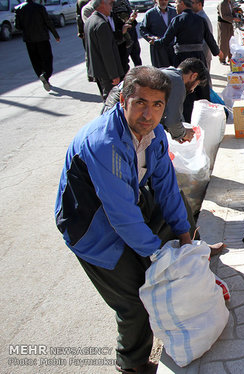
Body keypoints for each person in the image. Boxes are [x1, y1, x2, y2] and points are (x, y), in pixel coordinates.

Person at [55, 66, 199, 374]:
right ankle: (131, 365)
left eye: (157, 105)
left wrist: (187, 239)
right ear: (123, 102)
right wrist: (159, 256)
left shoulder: (155, 133)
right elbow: (121, 216)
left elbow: (165, 184)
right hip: (90, 223)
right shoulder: (104, 142)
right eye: (140, 103)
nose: (148, 114)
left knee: (179, 210)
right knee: (135, 300)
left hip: (124, 199)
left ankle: (176, 251)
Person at [104, 58, 207, 144]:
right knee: (117, 141)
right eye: (196, 84)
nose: (193, 89)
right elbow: (172, 121)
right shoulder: (178, 81)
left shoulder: (170, 73)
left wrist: (177, 132)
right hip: (121, 102)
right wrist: (184, 134)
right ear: (194, 76)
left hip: (118, 97)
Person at [152, 0, 221, 68]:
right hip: (198, 58)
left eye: (176, 3)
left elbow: (166, 40)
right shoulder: (201, 20)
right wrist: (217, 52)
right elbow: (210, 39)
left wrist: (155, 42)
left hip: (182, 59)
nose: (175, 6)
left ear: (182, 3)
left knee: (183, 78)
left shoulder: (177, 20)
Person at [14, 0, 60, 92]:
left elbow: (17, 26)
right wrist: (56, 35)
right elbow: (48, 22)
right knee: (47, 59)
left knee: (35, 61)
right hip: (42, 38)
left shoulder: (18, 9)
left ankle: (42, 76)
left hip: (29, 40)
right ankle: (46, 75)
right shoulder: (39, 8)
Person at [84, 0, 125, 101]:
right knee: (110, 100)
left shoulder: (90, 20)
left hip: (98, 70)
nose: (110, 7)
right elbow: (107, 53)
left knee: (106, 97)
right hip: (106, 72)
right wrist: (114, 75)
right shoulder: (101, 24)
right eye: (108, 4)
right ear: (102, 4)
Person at [140, 0, 177, 68]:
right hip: (158, 50)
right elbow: (143, 29)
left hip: (173, 49)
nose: (164, 1)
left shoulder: (174, 12)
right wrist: (151, 38)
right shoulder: (150, 14)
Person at [115, 0, 142, 67]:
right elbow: (123, 19)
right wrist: (131, 18)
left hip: (131, 30)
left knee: (136, 56)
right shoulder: (119, 1)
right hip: (127, 33)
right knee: (127, 58)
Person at [190, 0, 214, 72]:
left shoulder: (202, 18)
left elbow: (208, 40)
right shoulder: (196, 17)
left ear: (199, 4)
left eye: (192, 3)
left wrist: (201, 57)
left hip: (203, 56)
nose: (190, 5)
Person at [217, 0, 240, 64]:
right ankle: (222, 59)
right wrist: (233, 19)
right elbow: (223, 16)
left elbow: (231, 12)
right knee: (223, 42)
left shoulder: (230, 3)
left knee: (231, 41)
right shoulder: (222, 3)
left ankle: (230, 58)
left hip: (229, 24)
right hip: (223, 24)